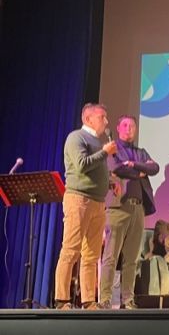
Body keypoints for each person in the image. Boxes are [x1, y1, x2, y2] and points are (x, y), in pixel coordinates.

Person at [54, 103, 119, 310]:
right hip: (79, 200)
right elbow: (82, 165)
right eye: (102, 117)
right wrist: (105, 152)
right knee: (71, 250)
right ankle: (62, 300)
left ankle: (88, 300)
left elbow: (96, 170)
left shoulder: (98, 143)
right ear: (88, 119)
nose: (106, 121)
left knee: (91, 255)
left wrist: (110, 182)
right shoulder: (76, 138)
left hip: (98, 203)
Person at [99, 115, 159, 309]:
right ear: (118, 128)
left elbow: (154, 168)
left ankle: (127, 299)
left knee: (132, 258)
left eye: (132, 126)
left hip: (138, 208)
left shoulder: (140, 152)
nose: (129, 129)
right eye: (125, 125)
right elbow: (116, 168)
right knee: (111, 256)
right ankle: (105, 299)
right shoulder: (113, 148)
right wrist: (139, 171)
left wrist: (133, 164)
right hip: (118, 207)